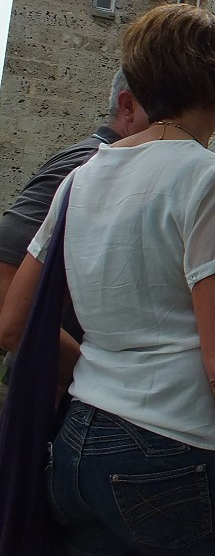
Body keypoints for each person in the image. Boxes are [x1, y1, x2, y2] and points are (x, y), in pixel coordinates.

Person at [0, 4, 215, 555]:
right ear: (210, 75)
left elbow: (13, 324)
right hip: (177, 457)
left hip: (76, 448)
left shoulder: (80, 178)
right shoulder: (212, 177)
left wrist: (103, 372)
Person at [0, 70, 148, 410]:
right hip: (51, 399)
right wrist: (90, 373)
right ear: (128, 107)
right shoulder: (90, 164)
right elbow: (5, 293)